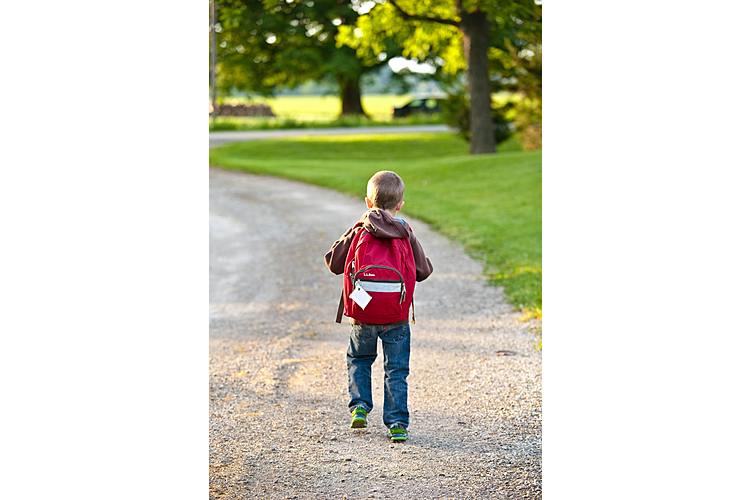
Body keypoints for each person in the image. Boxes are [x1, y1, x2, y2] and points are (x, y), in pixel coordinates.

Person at [324, 171, 433, 442]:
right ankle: (397, 423)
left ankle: (359, 406)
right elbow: (423, 271)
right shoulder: (405, 231)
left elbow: (333, 262)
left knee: (359, 359)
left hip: (363, 314)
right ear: (400, 205)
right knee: (396, 369)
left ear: (367, 202)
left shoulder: (360, 229)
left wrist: (356, 226)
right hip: (396, 315)